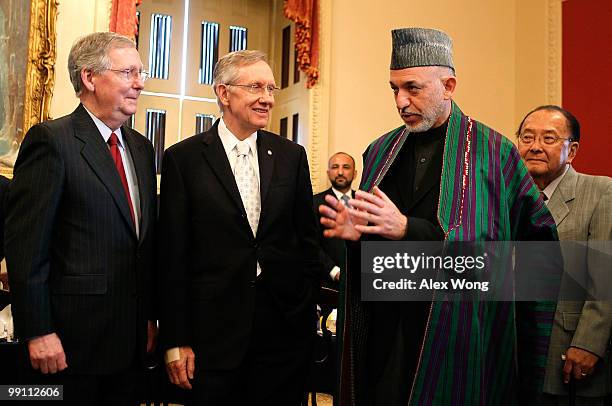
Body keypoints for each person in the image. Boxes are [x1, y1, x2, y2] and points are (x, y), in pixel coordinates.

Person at [319, 28, 559, 405]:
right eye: (394, 88)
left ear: (448, 85)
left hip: (460, 340)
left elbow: (536, 250)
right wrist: (360, 234)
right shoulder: (381, 149)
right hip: (387, 337)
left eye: (413, 88)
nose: (401, 101)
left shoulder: (493, 153)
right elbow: (378, 248)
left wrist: (406, 230)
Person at [158, 50, 321, 405]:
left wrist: (304, 313)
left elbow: (306, 243)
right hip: (211, 341)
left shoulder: (291, 156)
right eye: (255, 87)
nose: (267, 98)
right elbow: (172, 258)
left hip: (283, 337)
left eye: (271, 88)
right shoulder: (183, 159)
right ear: (224, 93)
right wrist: (176, 339)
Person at [6, 32, 157, 403]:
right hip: (70, 345)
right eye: (128, 72)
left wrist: (150, 317)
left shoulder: (140, 147)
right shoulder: (51, 141)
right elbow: (27, 248)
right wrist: (38, 330)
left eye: (141, 73)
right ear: (90, 78)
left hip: (131, 344)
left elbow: (143, 244)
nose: (139, 83)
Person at [517, 105, 612, 405]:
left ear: (571, 151)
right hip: (516, 355)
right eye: (527, 137)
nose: (535, 146)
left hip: (569, 351)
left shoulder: (600, 191)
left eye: (548, 138)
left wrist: (590, 343)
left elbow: (605, 276)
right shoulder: (509, 197)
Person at [313, 152, 357, 289]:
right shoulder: (314, 203)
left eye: (346, 167)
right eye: (335, 167)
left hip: (361, 284)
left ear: (354, 173)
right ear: (328, 172)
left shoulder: (365, 203)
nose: (340, 172)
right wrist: (335, 271)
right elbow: (310, 243)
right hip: (326, 284)